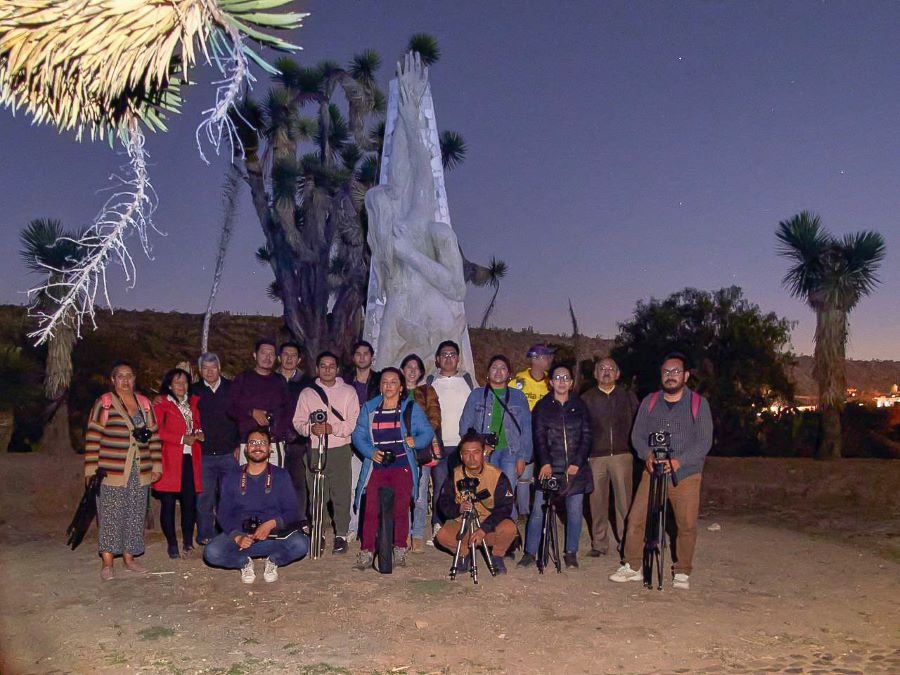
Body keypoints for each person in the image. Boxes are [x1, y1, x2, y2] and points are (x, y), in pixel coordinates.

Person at [609, 352, 713, 590]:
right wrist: (647, 455)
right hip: (653, 471)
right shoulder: (650, 401)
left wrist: (678, 461)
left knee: (685, 524)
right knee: (636, 519)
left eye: (676, 371)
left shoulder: (698, 404)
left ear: (686, 375)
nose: (671, 376)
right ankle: (632, 566)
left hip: (685, 474)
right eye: (666, 372)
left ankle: (683, 570)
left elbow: (704, 441)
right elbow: (637, 435)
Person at [84, 361, 162, 581]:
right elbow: (93, 436)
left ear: (134, 379)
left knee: (135, 515)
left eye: (129, 376)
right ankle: (107, 563)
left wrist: (156, 465)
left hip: (140, 470)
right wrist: (91, 469)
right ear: (113, 379)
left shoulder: (145, 404)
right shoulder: (105, 403)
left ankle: (130, 558)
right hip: (112, 470)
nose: (125, 380)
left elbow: (154, 437)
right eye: (120, 376)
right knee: (110, 516)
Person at [351, 367, 434, 570]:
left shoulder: (409, 408)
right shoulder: (369, 408)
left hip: (402, 466)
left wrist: (415, 441)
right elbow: (358, 435)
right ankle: (367, 551)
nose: (388, 386)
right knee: (370, 509)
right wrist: (370, 452)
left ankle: (399, 549)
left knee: (401, 508)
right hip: (377, 466)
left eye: (393, 382)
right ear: (380, 386)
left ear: (401, 386)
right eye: (385, 382)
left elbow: (427, 432)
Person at [203, 428, 309, 584]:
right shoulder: (232, 476)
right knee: (212, 552)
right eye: (253, 443)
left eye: (262, 443)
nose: (257, 447)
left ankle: (273, 561)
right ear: (246, 448)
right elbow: (223, 513)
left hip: (272, 536)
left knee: (301, 544)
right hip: (242, 537)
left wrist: (272, 523)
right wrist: (237, 536)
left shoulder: (281, 475)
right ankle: (243, 562)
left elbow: (293, 511)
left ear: (270, 449)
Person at [518, 364, 593, 569]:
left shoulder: (580, 405)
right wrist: (545, 463)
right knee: (538, 510)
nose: (561, 381)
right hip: (549, 467)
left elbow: (587, 435)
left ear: (571, 382)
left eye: (566, 377)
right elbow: (539, 436)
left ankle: (571, 552)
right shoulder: (542, 406)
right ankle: (529, 553)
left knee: (575, 510)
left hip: (575, 469)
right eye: (557, 377)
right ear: (550, 382)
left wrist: (578, 462)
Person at [292, 351, 360, 554]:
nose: (327, 370)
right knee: (317, 494)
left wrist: (333, 428)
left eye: (331, 366)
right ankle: (318, 533)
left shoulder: (349, 392)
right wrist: (309, 429)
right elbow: (298, 421)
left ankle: (340, 535)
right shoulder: (307, 393)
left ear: (338, 369)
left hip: (339, 449)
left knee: (341, 493)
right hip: (314, 448)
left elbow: (352, 423)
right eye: (323, 366)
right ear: (317, 368)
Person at [459, 355, 532, 523]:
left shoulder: (518, 397)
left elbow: (526, 430)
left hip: (510, 452)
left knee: (507, 495)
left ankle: (508, 537)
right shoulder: (476, 395)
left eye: (503, 368)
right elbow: (465, 426)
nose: (498, 372)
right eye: (494, 368)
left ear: (509, 374)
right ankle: (487, 534)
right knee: (485, 493)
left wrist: (523, 457)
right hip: (483, 453)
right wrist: (477, 447)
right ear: (487, 373)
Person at [434, 430, 517, 574]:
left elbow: (505, 507)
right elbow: (443, 503)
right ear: (461, 456)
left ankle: (497, 556)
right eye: (466, 453)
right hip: (463, 523)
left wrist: (484, 529)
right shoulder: (455, 475)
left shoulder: (497, 475)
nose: (471, 458)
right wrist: (458, 509)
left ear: (484, 452)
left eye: (476, 452)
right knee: (441, 536)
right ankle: (464, 554)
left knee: (509, 528)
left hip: (488, 523)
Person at [581, 357, 639, 558]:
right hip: (595, 457)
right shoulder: (586, 398)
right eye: (602, 368)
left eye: (611, 368)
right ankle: (599, 543)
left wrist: (635, 449)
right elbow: (581, 429)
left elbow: (638, 423)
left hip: (622, 455)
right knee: (597, 502)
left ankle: (626, 542)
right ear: (595, 373)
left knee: (625, 502)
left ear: (617, 373)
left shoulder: (627, 396)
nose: (606, 371)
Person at [425, 339, 476, 541]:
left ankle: (461, 527)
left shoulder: (467, 381)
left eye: (452, 355)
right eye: (444, 355)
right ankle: (438, 525)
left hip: (462, 445)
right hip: (438, 444)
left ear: (458, 359)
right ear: (437, 359)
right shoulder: (430, 383)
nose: (448, 358)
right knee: (440, 485)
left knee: (462, 487)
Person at [154, 367, 204, 559]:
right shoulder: (161, 405)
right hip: (170, 459)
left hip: (190, 459)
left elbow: (196, 424)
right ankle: (172, 544)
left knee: (189, 503)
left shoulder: (193, 404)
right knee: (167, 503)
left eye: (184, 382)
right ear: (169, 385)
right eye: (177, 382)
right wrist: (182, 439)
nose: (182, 386)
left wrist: (199, 432)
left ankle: (188, 542)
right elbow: (157, 430)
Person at [191, 352, 240, 545]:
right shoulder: (193, 391)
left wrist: (239, 443)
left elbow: (241, 417)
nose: (209, 372)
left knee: (230, 496)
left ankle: (230, 533)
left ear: (219, 369)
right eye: (205, 368)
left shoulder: (232, 388)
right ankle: (205, 535)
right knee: (204, 498)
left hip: (229, 453)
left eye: (213, 367)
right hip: (203, 454)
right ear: (200, 371)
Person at [227, 338, 293, 465]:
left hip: (273, 444)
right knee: (246, 482)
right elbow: (230, 408)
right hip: (248, 442)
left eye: (271, 354)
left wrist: (279, 432)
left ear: (276, 358)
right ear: (255, 355)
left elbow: (288, 411)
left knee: (274, 481)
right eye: (263, 353)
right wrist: (251, 412)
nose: (267, 357)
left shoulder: (280, 381)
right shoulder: (242, 379)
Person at [401, 353, 442, 552]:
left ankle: (417, 534)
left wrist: (419, 436)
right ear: (402, 370)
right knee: (402, 493)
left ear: (421, 372)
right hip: (398, 449)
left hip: (420, 449)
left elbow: (434, 417)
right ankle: (403, 533)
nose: (412, 370)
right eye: (408, 367)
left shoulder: (427, 391)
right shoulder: (394, 390)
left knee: (419, 492)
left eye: (416, 367)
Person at [510, 344, 553, 519]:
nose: (549, 360)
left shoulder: (551, 383)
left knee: (544, 474)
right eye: (545, 357)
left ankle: (543, 508)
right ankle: (523, 512)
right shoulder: (518, 382)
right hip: (524, 435)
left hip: (546, 436)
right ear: (534, 359)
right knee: (524, 476)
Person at [346, 340, 381, 541]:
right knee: (353, 486)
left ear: (371, 357)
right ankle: (353, 525)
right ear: (353, 358)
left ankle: (373, 527)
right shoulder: (345, 382)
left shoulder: (379, 381)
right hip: (350, 443)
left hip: (374, 441)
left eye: (365, 353)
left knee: (374, 486)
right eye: (357, 353)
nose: (361, 357)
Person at [277, 341, 314, 526]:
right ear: (279, 357)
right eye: (285, 354)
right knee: (274, 481)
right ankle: (276, 520)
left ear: (299, 359)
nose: (289, 358)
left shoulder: (306, 383)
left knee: (298, 483)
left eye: (293, 355)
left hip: (298, 441)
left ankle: (300, 520)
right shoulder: (270, 379)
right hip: (274, 441)